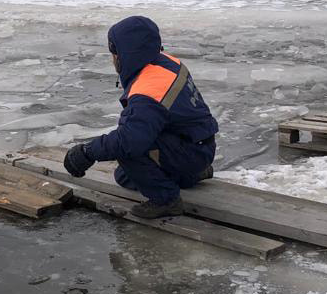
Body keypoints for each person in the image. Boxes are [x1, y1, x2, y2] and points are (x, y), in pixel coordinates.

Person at [62, 16, 219, 218]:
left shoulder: (149, 88)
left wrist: (87, 152)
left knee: (128, 150)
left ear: (123, 54)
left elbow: (129, 140)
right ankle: (191, 174)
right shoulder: (166, 62)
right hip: (198, 143)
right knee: (124, 176)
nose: (112, 58)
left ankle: (167, 200)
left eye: (113, 52)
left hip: (191, 150)